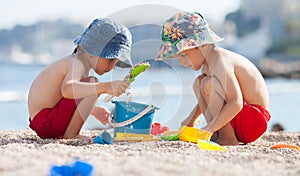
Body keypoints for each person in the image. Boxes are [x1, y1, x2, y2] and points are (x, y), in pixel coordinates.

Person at [156, 11, 271, 145]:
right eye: (177, 58)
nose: (181, 62)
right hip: (241, 119)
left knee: (208, 84)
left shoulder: (221, 61)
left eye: (183, 55)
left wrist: (208, 128)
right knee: (199, 83)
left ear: (203, 45)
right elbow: (210, 96)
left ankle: (227, 138)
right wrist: (191, 119)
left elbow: (236, 102)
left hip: (254, 121)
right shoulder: (209, 64)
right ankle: (219, 133)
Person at [28, 18, 132, 139]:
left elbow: (65, 97)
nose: (113, 66)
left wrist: (93, 110)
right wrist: (105, 87)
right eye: (110, 59)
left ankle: (68, 133)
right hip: (45, 121)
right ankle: (72, 134)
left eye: (116, 61)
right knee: (93, 83)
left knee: (89, 86)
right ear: (94, 50)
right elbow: (67, 90)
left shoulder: (79, 63)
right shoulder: (77, 63)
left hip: (43, 121)